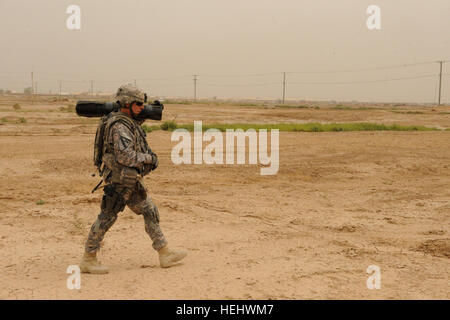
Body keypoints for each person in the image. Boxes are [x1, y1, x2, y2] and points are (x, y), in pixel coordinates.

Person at [80, 84, 187, 274]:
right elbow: (125, 156)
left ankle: (165, 253)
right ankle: (88, 258)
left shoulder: (124, 120)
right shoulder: (120, 126)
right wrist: (150, 159)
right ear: (127, 104)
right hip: (120, 179)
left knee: (149, 211)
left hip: (128, 178)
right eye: (138, 104)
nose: (141, 107)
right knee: (107, 216)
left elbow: (134, 132)